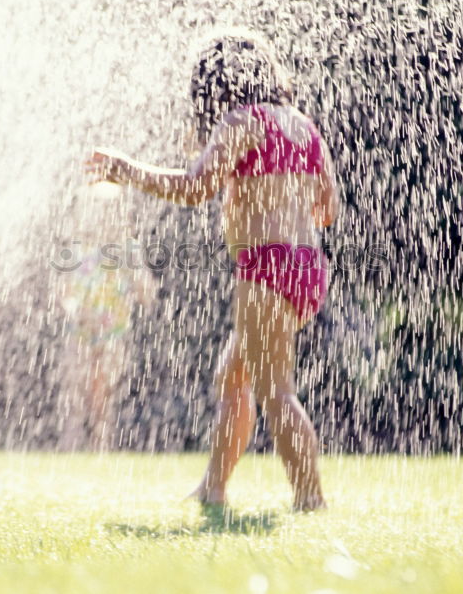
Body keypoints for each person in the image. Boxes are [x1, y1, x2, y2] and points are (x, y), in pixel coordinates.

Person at [85, 33, 339, 511]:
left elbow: (197, 187)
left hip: (266, 267)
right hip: (308, 267)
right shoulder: (303, 127)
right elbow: (327, 208)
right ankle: (213, 488)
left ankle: (311, 498)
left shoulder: (241, 122)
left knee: (275, 390)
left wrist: (126, 169)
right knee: (233, 376)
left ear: (218, 87)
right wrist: (277, 198)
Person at [56, 182, 152, 451]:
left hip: (114, 331)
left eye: (110, 208)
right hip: (80, 329)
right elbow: (62, 292)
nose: (103, 214)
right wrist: (75, 309)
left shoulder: (126, 249)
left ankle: (100, 447)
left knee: (102, 395)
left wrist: (139, 283)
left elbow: (146, 291)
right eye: (98, 207)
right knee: (76, 392)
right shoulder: (76, 249)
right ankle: (70, 447)